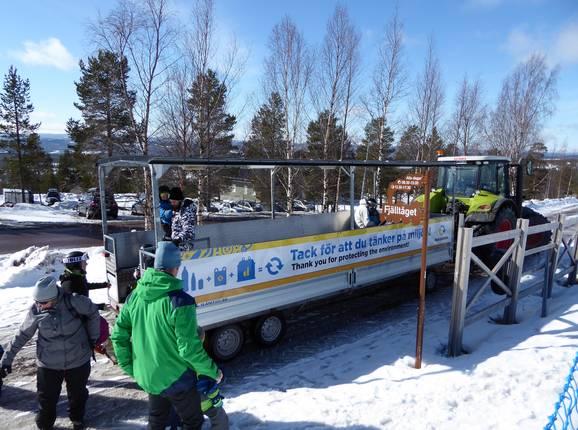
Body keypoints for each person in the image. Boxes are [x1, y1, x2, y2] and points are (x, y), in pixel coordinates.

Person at [111, 241, 222, 430]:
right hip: (176, 378)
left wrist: (133, 368)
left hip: (149, 376)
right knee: (193, 422)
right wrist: (213, 372)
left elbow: (118, 336)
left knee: (157, 421)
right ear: (176, 267)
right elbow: (189, 350)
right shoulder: (180, 302)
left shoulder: (135, 296)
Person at [0, 276, 100, 430]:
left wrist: (93, 338)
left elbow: (93, 312)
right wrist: (6, 359)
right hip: (48, 363)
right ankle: (45, 425)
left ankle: (77, 419)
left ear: (54, 298)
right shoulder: (36, 310)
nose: (40, 306)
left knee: (78, 394)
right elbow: (22, 335)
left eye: (43, 303)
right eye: (37, 302)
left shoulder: (74, 302)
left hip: (78, 359)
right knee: (46, 398)